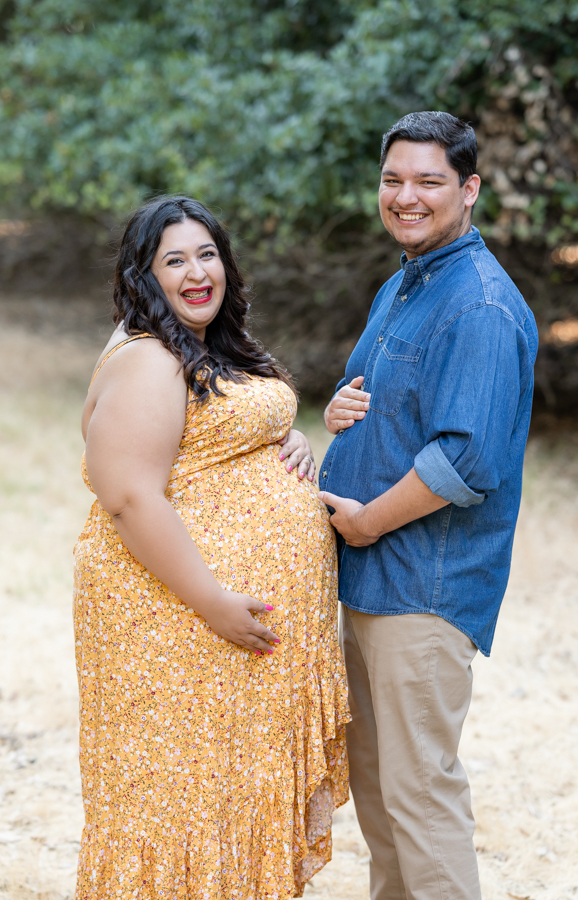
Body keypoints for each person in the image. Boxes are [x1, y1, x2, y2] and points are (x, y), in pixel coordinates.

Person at [73, 195, 350, 899]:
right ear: (144, 276)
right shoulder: (146, 357)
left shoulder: (204, 344)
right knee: (177, 802)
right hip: (181, 622)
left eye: (207, 254)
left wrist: (281, 439)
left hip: (226, 638)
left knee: (225, 793)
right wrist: (213, 601)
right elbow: (130, 495)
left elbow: (208, 439)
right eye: (174, 261)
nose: (197, 273)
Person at [318, 111, 538, 900]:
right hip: (373, 580)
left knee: (419, 797)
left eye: (427, 181)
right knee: (378, 796)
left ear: (468, 189)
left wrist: (367, 521)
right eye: (392, 179)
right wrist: (339, 414)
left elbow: (465, 459)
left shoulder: (476, 303)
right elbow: (387, 402)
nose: (405, 196)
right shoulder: (404, 282)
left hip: (423, 586)